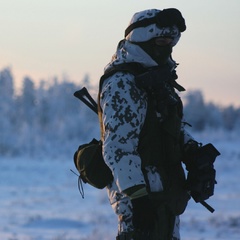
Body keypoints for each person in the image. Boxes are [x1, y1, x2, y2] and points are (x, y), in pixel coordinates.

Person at [98, 8, 217, 240]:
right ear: (142, 39)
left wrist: (193, 154)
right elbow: (118, 147)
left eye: (172, 41)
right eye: (162, 40)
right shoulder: (123, 83)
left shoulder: (157, 80)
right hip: (139, 204)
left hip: (166, 196)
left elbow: (169, 126)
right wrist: (138, 198)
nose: (168, 47)